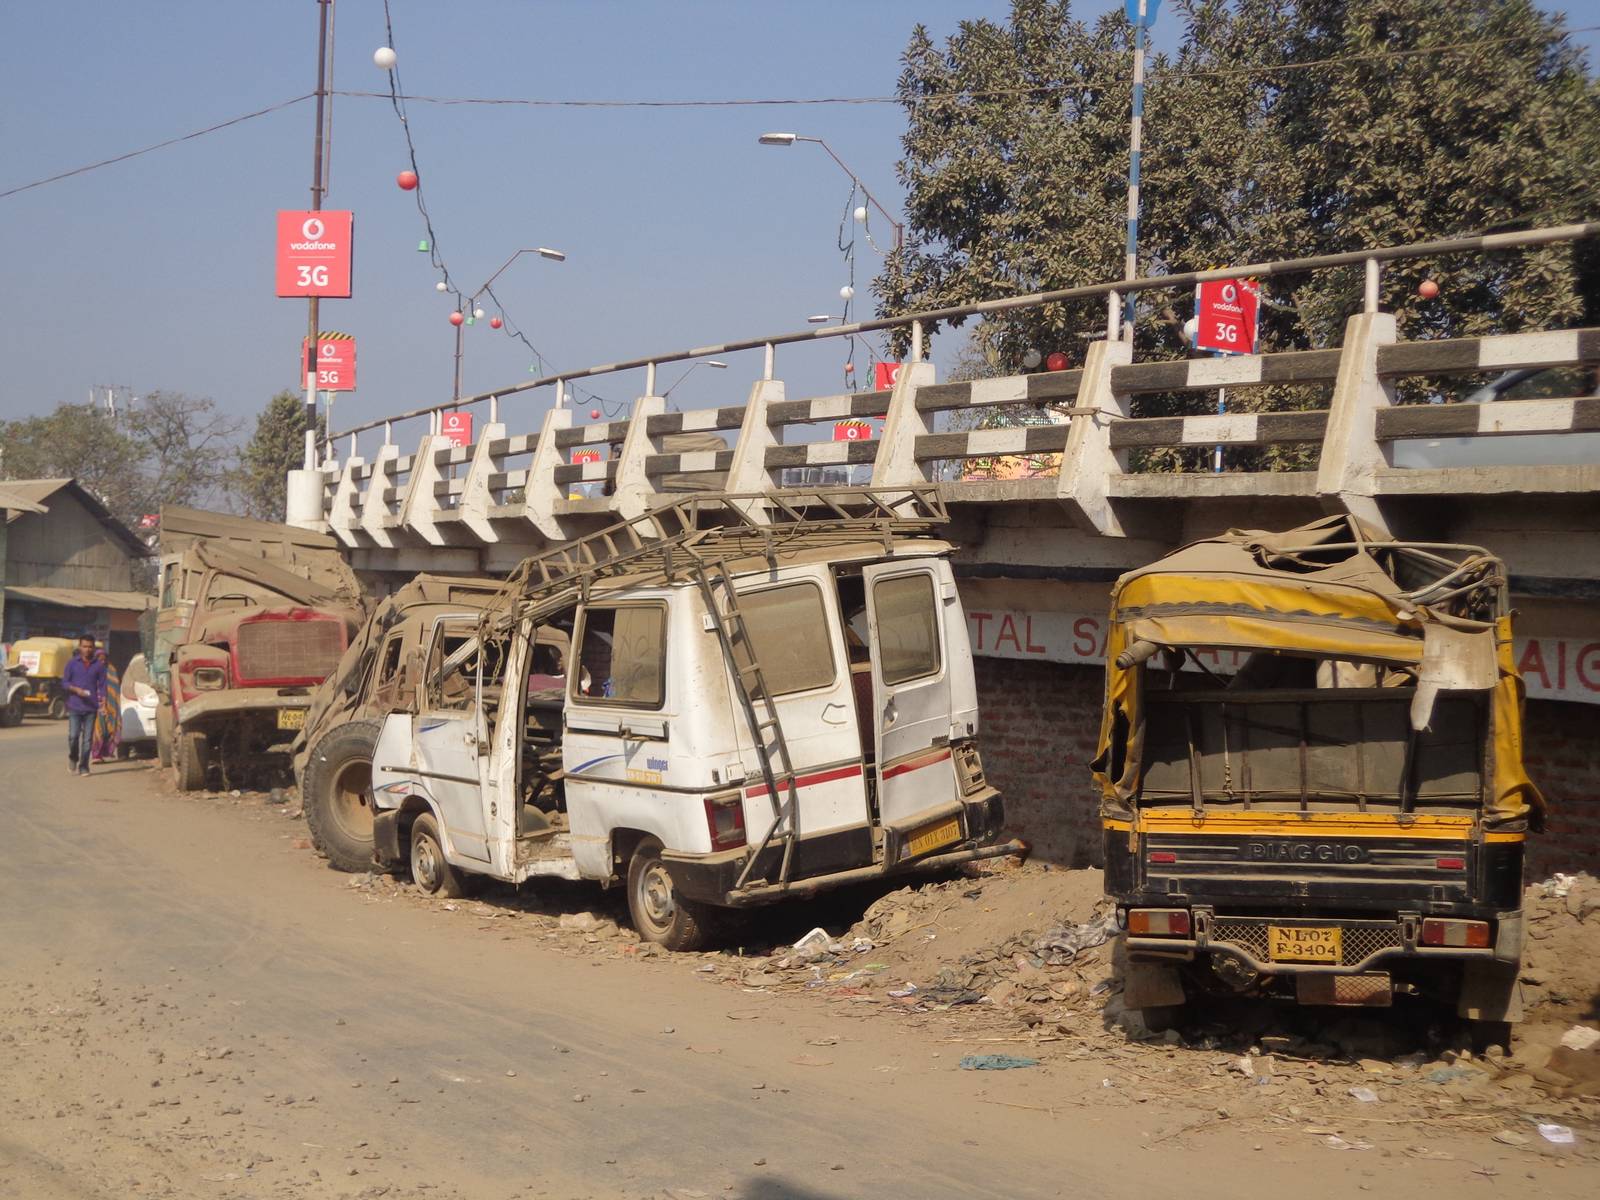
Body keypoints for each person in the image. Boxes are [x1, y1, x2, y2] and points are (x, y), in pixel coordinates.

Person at [61, 634, 107, 775]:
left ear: (94, 648)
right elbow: (64, 682)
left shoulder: (98, 666)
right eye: (84, 646)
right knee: (73, 737)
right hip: (75, 706)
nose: (87, 649)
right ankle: (73, 757)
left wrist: (103, 703)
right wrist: (76, 690)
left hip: (91, 708)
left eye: (90, 647)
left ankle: (84, 766)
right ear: (80, 647)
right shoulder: (72, 664)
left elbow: (103, 685)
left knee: (87, 740)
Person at [91, 648, 122, 763]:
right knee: (98, 729)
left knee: (110, 729)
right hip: (96, 705)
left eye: (104, 659)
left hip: (111, 705)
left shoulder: (111, 670)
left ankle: (105, 752)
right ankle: (96, 755)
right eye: (100, 659)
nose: (102, 662)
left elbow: (115, 688)